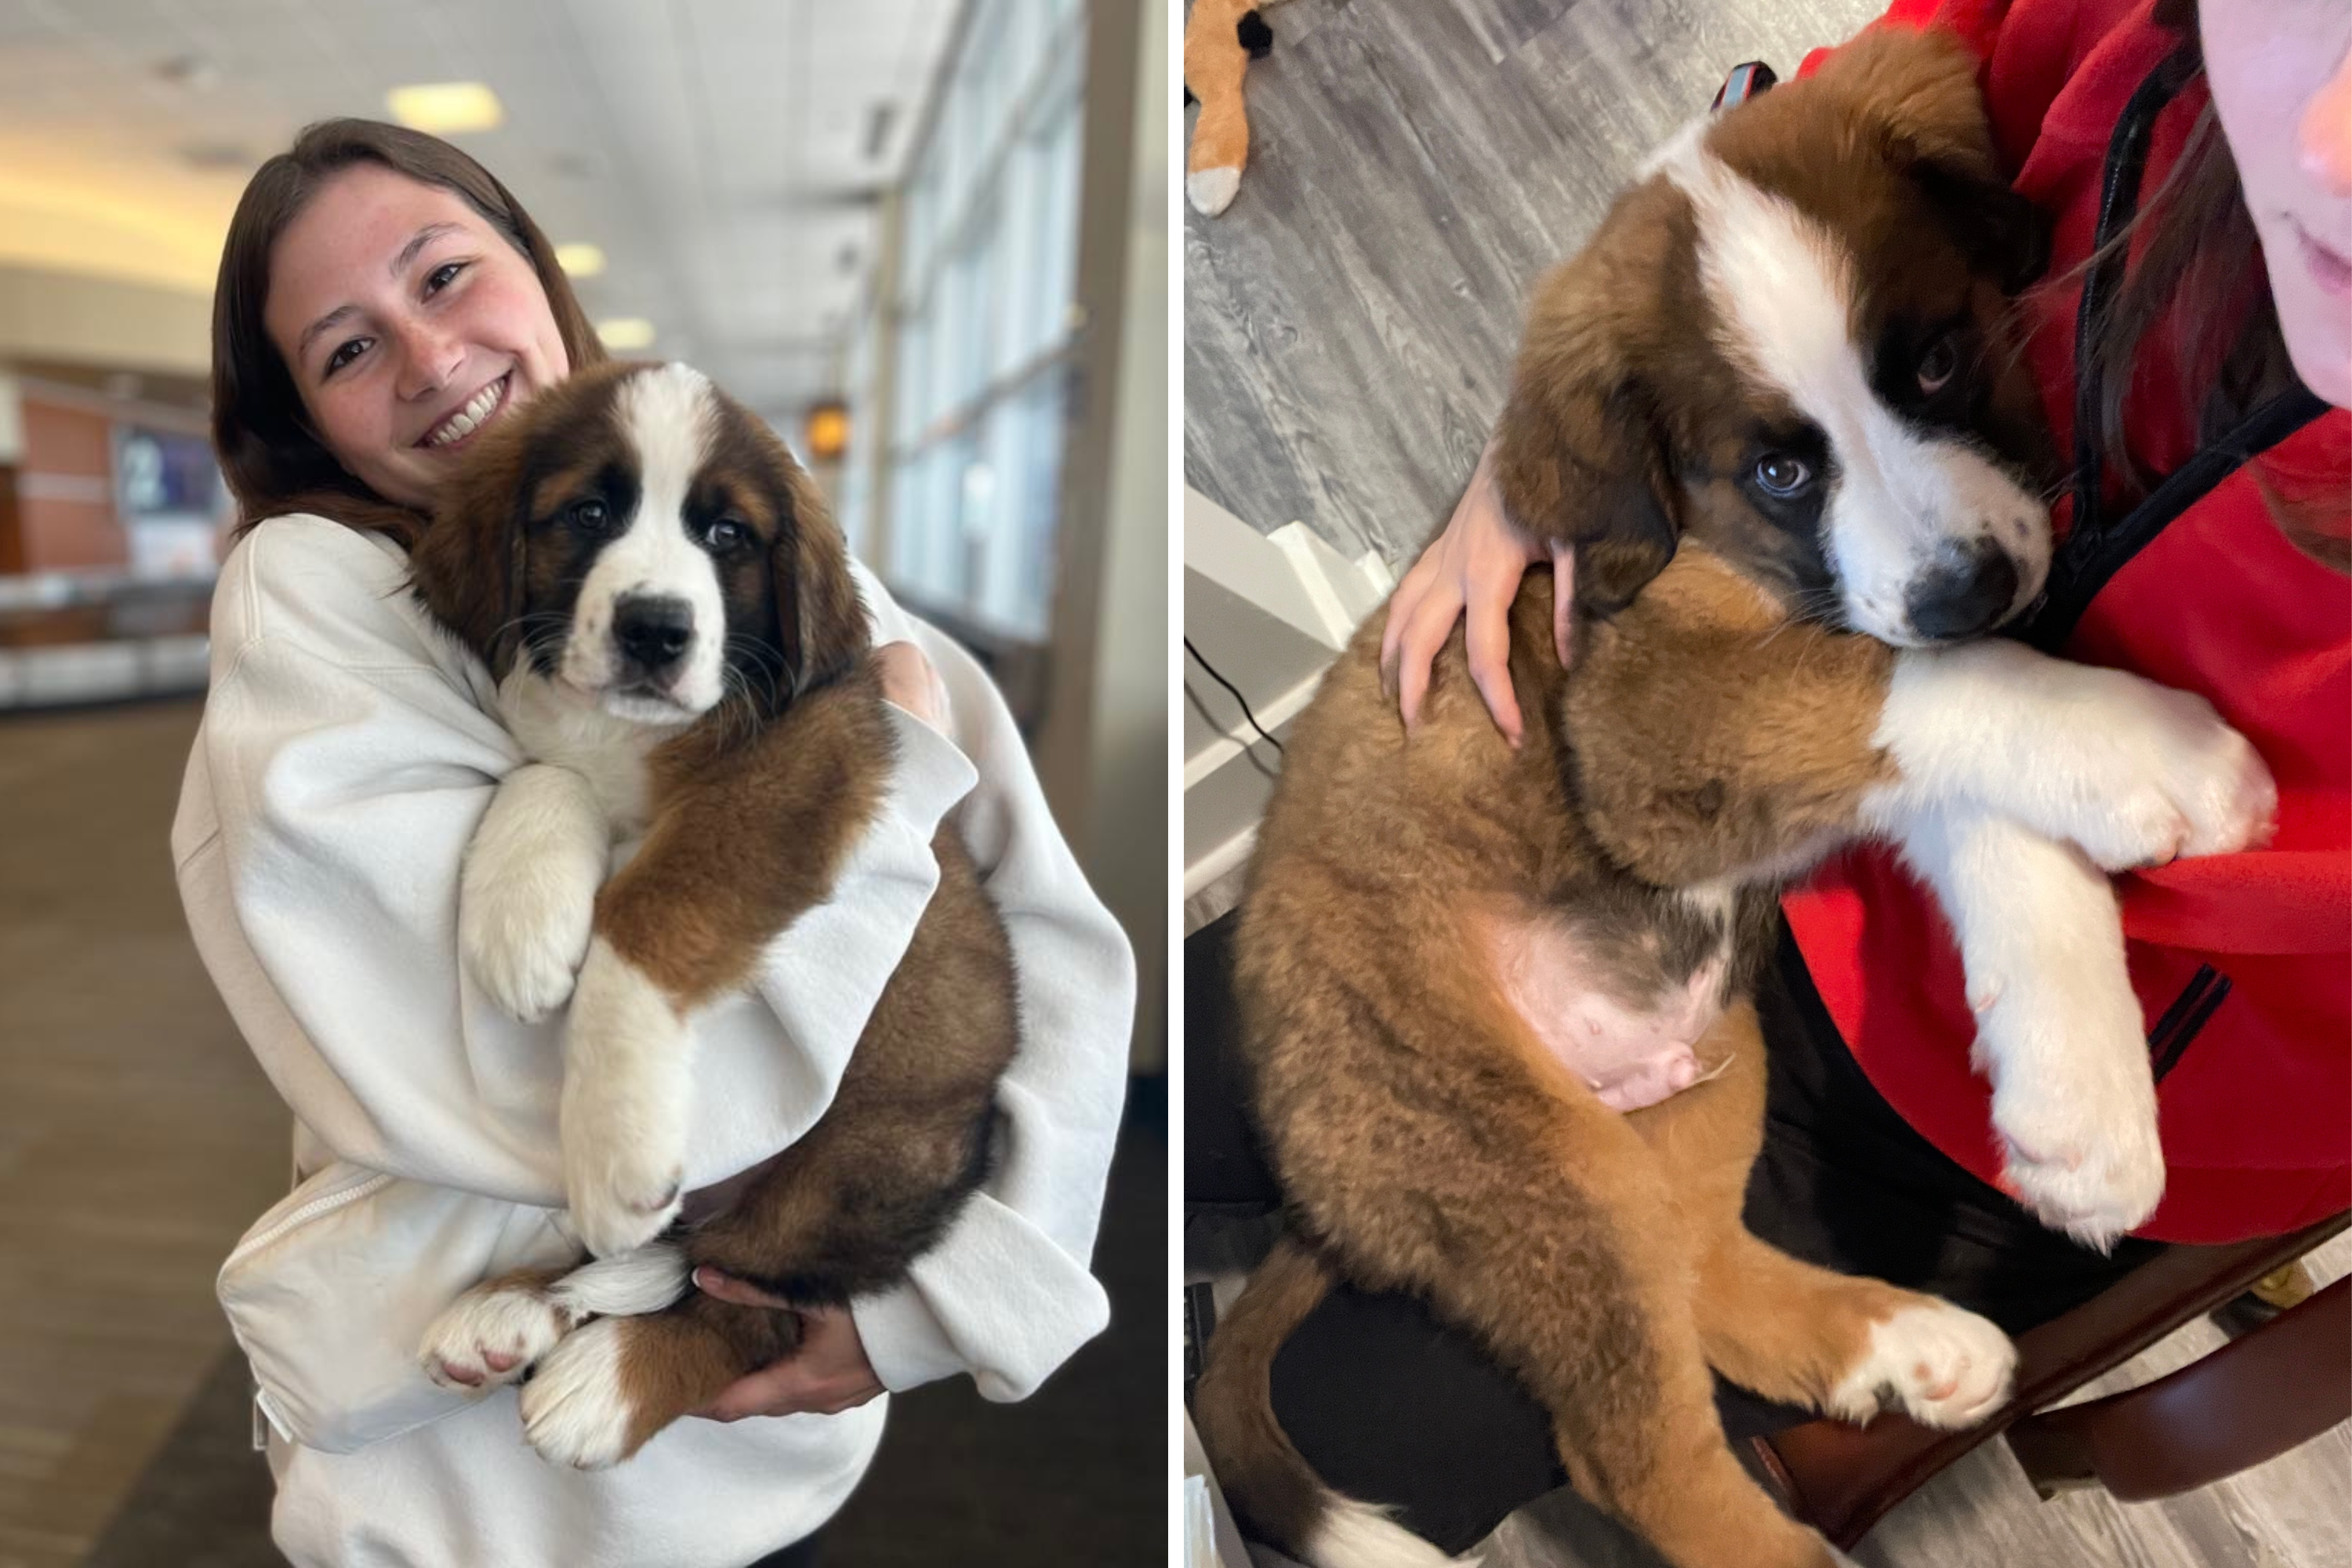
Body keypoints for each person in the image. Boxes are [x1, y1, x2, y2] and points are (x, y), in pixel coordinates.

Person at [1255, 0, 2349, 1552]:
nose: (2332, 140)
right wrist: (1534, 464)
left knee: (1366, 1408)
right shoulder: (2098, 68)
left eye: (1941, 366)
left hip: (1959, 1081)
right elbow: (1824, 125)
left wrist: (2008, 812)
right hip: (1735, 861)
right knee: (1197, 1112)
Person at [172, 120, 1134, 1568]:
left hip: (763, 1461)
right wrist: (874, 790)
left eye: (444, 275)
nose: (429, 357)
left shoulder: (741, 502)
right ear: (300, 414)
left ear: (535, 269)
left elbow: (1038, 913)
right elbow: (499, 1079)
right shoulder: (317, 596)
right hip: (474, 1518)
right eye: (348, 348)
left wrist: (951, 1292)